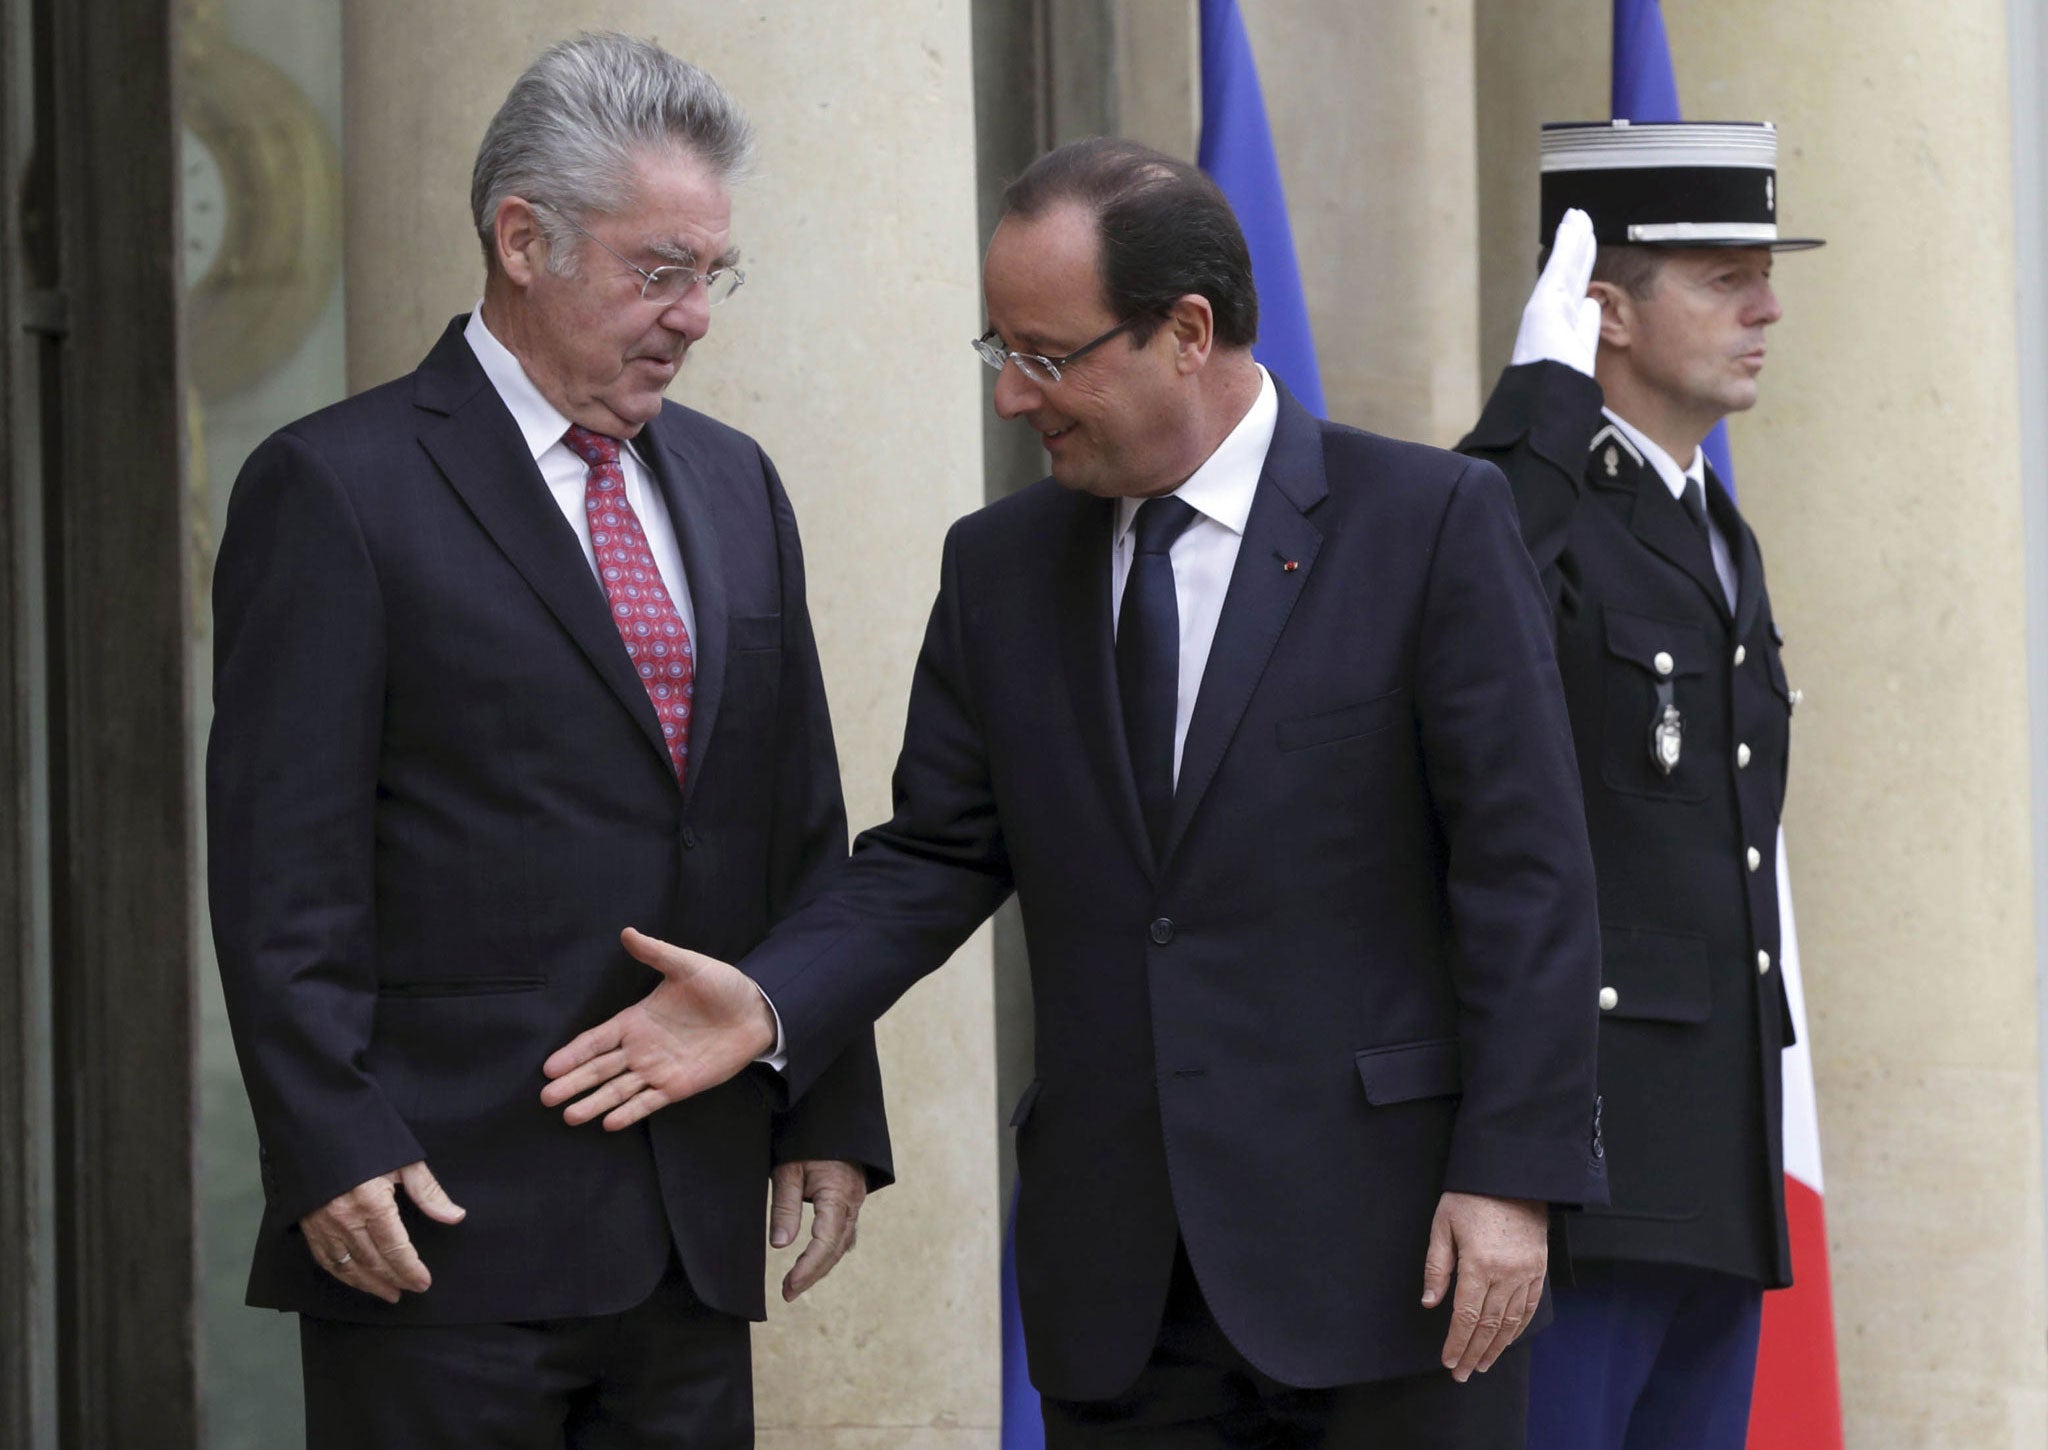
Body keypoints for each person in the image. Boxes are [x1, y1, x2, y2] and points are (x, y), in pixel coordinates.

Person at [539, 137, 1606, 1447]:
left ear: (1187, 332)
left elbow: (1529, 876)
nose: (1013, 398)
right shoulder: (1000, 566)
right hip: (1123, 1290)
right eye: (1002, 352)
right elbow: (934, 853)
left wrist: (1513, 1174)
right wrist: (769, 1001)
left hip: (1391, 1262)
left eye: (1046, 355)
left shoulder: (1429, 523)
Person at [206, 33, 890, 1449]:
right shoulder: (334, 489)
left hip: (689, 1237)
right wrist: (328, 1139)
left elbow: (795, 824)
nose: (695, 316)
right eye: (659, 271)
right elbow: (286, 865)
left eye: (714, 274)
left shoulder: (735, 482)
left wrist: (821, 1092)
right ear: (524, 239)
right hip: (439, 1228)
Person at [1455, 121, 1822, 1450]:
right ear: (1601, 307)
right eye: (1723, 274)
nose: (1766, 302)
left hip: (1713, 1167)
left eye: (1762, 269)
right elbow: (1457, 613)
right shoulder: (1528, 502)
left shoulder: (1714, 527)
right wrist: (1534, 411)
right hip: (1584, 1172)